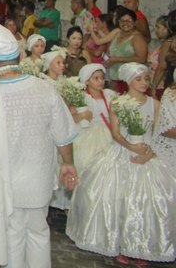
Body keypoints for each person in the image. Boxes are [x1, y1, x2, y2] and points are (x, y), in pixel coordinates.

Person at [0, 20, 77, 268]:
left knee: (11, 232)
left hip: (4, 180)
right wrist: (68, 164)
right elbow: (63, 135)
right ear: (21, 56)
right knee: (38, 231)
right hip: (38, 177)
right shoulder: (46, 90)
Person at [66, 63, 176, 265]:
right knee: (117, 198)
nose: (143, 83)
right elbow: (116, 133)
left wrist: (149, 151)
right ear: (128, 81)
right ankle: (117, 244)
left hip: (146, 153)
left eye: (146, 79)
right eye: (138, 79)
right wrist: (130, 146)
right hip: (122, 152)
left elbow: (157, 131)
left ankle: (141, 246)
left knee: (147, 200)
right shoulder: (118, 103)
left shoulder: (155, 103)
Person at [90, 6, 148, 90]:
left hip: (130, 79)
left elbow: (141, 58)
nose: (125, 23)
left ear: (135, 22)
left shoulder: (137, 37)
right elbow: (102, 43)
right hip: (113, 77)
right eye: (122, 21)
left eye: (129, 21)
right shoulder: (117, 33)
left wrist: (115, 59)